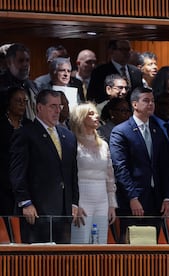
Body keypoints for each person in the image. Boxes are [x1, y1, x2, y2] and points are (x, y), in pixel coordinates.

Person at [9, 89, 82, 243]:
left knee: (62, 260)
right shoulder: (26, 133)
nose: (57, 111)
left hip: (63, 211)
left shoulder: (68, 136)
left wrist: (74, 202)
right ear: (39, 107)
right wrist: (25, 202)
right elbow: (17, 172)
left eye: (60, 106)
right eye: (52, 106)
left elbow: (72, 173)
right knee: (38, 261)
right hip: (37, 211)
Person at [109, 87, 169, 243]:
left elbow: (166, 166)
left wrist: (167, 197)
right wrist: (132, 197)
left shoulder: (157, 130)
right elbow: (120, 168)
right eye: (146, 100)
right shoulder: (121, 131)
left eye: (152, 101)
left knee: (152, 248)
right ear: (134, 104)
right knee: (132, 248)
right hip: (133, 200)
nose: (151, 104)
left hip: (156, 200)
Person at [69, 103, 117, 244]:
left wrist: (112, 204)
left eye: (96, 113)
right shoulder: (73, 143)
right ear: (80, 118)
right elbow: (70, 175)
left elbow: (110, 176)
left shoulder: (104, 145)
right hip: (82, 198)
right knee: (81, 242)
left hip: (102, 199)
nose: (96, 116)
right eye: (90, 113)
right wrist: (74, 204)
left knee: (101, 242)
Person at [0, 87, 31, 219]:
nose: (22, 105)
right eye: (18, 101)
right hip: (3, 181)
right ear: (9, 102)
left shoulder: (29, 125)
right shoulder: (1, 124)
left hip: (24, 182)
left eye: (25, 101)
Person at [87, 40, 143, 104]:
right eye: (122, 49)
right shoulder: (100, 71)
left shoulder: (136, 72)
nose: (126, 53)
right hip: (108, 109)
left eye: (128, 49)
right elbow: (92, 95)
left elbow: (139, 93)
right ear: (111, 51)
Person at [0, 43, 38, 120]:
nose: (25, 64)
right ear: (9, 63)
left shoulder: (32, 85)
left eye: (27, 60)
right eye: (21, 61)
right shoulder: (1, 86)